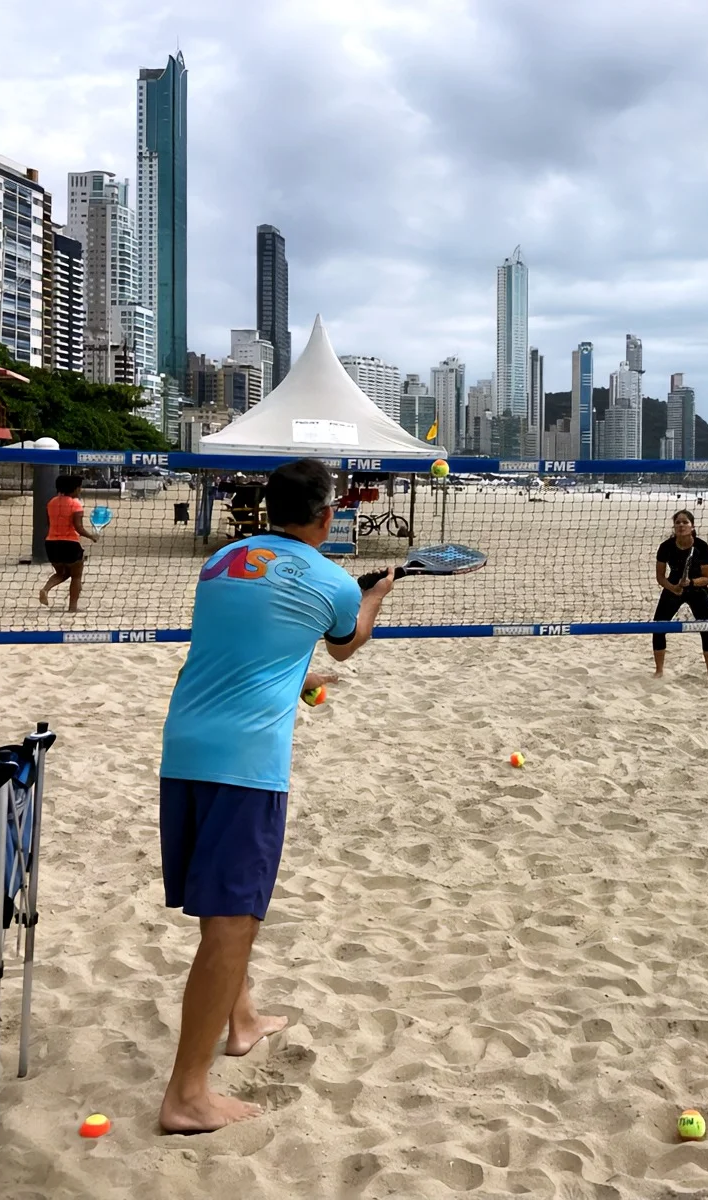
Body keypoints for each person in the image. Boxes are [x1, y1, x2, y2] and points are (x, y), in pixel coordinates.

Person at [157, 458, 395, 1133]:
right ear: (326, 516)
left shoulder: (223, 560)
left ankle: (243, 1019)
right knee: (234, 919)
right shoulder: (331, 581)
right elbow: (349, 644)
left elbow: (252, 648)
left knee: (225, 909)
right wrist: (377, 593)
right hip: (245, 764)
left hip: (184, 748)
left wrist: (300, 681)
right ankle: (186, 1095)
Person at [652, 509, 708, 680]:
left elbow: (707, 578)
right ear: (674, 526)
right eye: (678, 522)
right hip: (673, 587)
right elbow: (660, 576)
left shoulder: (702, 547)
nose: (681, 525)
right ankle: (659, 671)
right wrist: (673, 588)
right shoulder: (666, 546)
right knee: (658, 627)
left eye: (685, 522)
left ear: (692, 526)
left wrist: (692, 583)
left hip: (697, 590)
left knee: (707, 629)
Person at [38, 474, 99, 612]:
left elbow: (49, 523)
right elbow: (78, 527)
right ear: (75, 488)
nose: (80, 490)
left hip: (51, 544)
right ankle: (73, 607)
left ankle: (45, 589)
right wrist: (92, 536)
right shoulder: (75, 504)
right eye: (80, 487)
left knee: (62, 573)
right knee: (76, 576)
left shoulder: (51, 502)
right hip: (70, 544)